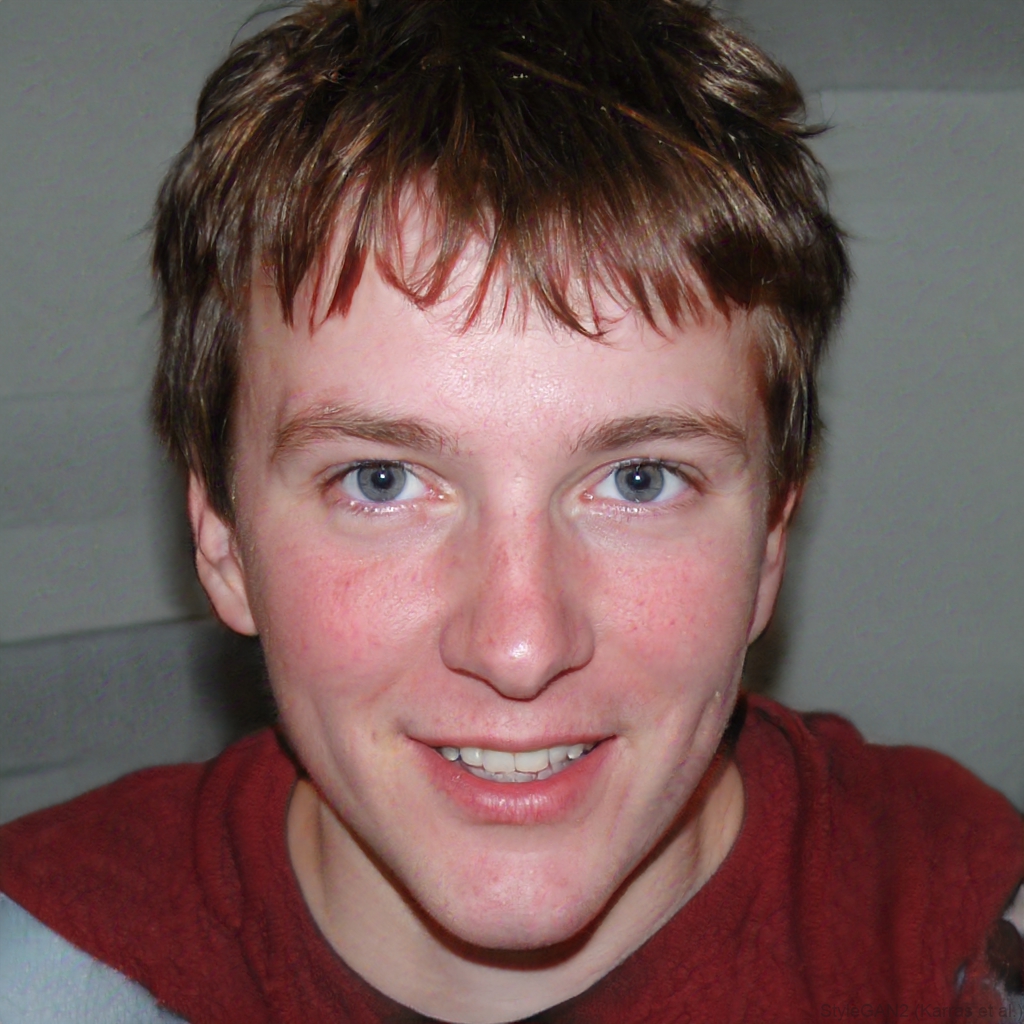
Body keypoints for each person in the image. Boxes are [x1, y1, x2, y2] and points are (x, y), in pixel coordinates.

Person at [1, 1, 1021, 1021]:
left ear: (768, 541)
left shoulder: (960, 943)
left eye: (639, 479)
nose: (520, 647)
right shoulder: (47, 968)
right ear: (221, 536)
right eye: (382, 480)